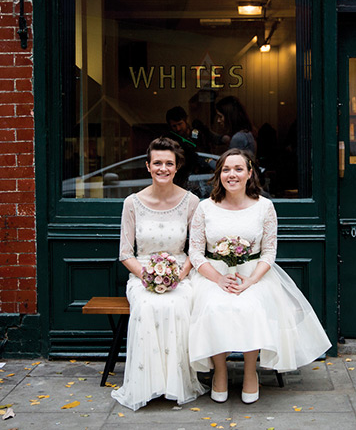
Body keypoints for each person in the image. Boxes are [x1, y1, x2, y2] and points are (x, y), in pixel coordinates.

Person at [188, 148, 331, 404]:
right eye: (226, 169)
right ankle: (220, 370)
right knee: (213, 306)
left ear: (249, 173)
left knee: (252, 306)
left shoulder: (264, 207)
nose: (232, 175)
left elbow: (269, 252)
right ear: (219, 174)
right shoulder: (205, 208)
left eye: (238, 169)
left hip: (253, 274)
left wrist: (252, 280)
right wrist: (218, 279)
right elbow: (196, 253)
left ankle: (250, 371)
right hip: (213, 274)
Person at [111, 137, 206, 411]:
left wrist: (178, 275)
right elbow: (126, 253)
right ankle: (147, 384)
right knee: (147, 305)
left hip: (180, 273)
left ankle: (175, 384)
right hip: (142, 274)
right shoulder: (132, 202)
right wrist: (148, 276)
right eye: (157, 163)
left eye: (169, 163)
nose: (163, 168)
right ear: (147, 166)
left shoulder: (191, 202)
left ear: (177, 168)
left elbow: (196, 250)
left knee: (177, 304)